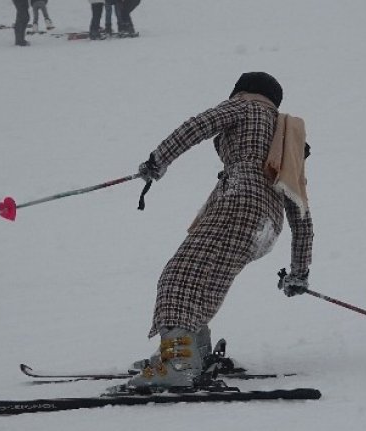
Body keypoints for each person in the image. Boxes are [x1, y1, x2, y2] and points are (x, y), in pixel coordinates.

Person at [128, 72, 314, 389]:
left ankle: (178, 362)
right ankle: (194, 354)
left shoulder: (244, 108)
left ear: (241, 92)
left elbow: (198, 125)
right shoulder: (285, 138)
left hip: (239, 205)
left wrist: (159, 159)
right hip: (265, 225)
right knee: (206, 280)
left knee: (179, 276)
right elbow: (300, 210)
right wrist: (299, 271)